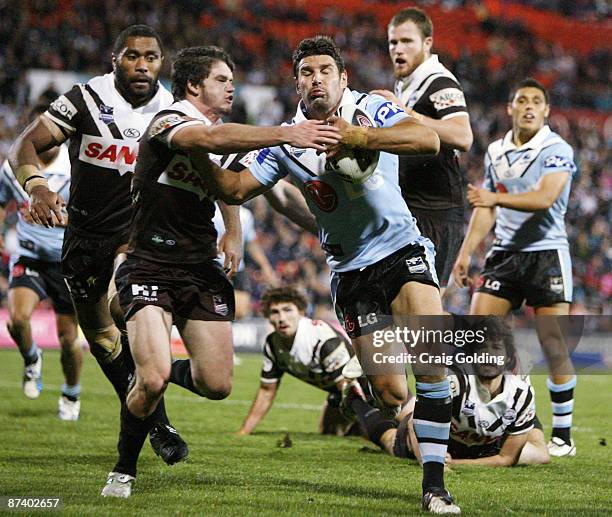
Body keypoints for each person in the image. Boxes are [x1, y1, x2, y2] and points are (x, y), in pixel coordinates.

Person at [201, 36, 464, 514]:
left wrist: (358, 138)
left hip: (402, 250)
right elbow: (236, 188)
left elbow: (428, 139)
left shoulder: (369, 110)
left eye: (325, 69)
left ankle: (435, 486)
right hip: (351, 272)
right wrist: (198, 149)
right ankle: (368, 407)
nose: (316, 78)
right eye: (306, 72)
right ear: (296, 81)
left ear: (344, 78)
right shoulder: (288, 140)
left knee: (430, 363)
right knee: (390, 394)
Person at [101, 45, 341, 498]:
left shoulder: (221, 133)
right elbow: (209, 144)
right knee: (151, 381)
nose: (232, 86)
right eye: (221, 79)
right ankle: (123, 468)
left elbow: (228, 182)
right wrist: (288, 132)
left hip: (199, 268)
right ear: (194, 86)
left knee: (218, 384)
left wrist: (233, 232)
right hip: (150, 262)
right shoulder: (168, 122)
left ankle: (149, 363)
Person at [9, 25, 190, 463]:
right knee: (105, 342)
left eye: (151, 56)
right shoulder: (84, 99)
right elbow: (25, 145)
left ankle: (158, 424)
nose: (142, 65)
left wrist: (230, 232)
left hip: (137, 242)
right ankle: (152, 417)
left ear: (161, 62)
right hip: (85, 238)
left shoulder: (174, 111)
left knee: (124, 311)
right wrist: (36, 187)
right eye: (132, 56)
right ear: (114, 59)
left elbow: (213, 169)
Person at [452, 78, 578, 458]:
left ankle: (562, 436)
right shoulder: (495, 151)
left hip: (546, 254)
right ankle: (475, 420)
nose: (528, 106)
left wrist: (492, 196)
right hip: (504, 255)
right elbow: (485, 208)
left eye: (536, 101)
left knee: (553, 344)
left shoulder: (557, 148)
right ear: (509, 108)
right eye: (521, 100)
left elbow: (545, 197)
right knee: (477, 336)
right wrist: (465, 253)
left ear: (546, 111)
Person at [351, 317, 550, 467]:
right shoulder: (455, 381)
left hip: (479, 448)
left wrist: (457, 463)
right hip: (436, 439)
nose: (488, 355)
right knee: (390, 437)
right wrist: (431, 459)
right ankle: (354, 394)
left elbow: (506, 458)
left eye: (496, 348)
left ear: (508, 359)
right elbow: (415, 424)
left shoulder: (521, 393)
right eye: (482, 348)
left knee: (542, 455)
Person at [371, 7, 473, 294]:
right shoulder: (406, 84)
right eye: (393, 42)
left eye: (407, 41)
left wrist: (407, 113)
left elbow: (463, 136)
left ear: (427, 43)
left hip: (436, 212)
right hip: (410, 210)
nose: (398, 49)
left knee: (421, 313)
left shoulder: (439, 81)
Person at [0, 105, 82, 420]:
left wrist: (62, 219)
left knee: (68, 339)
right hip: (29, 254)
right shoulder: (13, 167)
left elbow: (90, 216)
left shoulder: (75, 168)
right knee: (17, 320)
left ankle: (71, 394)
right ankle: (32, 358)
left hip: (66, 261)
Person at [237, 287, 358, 436]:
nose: (281, 318)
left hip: (369, 389)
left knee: (379, 434)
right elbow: (267, 391)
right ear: (268, 317)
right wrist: (243, 432)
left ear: (301, 312)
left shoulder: (320, 337)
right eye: (275, 312)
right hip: (339, 393)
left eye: (287, 310)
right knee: (331, 434)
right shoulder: (273, 344)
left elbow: (349, 387)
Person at [213, 204, 278, 319]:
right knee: (216, 310)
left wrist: (265, 266)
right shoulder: (210, 208)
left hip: (236, 268)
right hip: (213, 267)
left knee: (241, 311)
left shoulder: (246, 214)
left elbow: (250, 242)